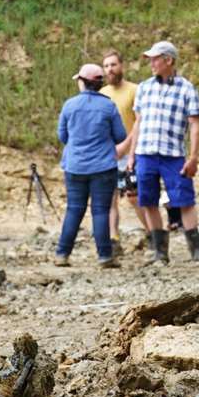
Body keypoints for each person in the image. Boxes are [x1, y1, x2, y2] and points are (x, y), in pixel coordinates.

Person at [120, 40, 199, 264]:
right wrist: (131, 155)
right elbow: (138, 122)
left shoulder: (187, 89)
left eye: (155, 59)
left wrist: (194, 157)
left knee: (184, 200)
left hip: (173, 154)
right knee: (147, 201)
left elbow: (194, 124)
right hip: (146, 152)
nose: (152, 64)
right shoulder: (144, 88)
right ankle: (160, 251)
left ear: (169, 60)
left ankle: (196, 249)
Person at [54, 63, 125, 268]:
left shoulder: (70, 105)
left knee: (74, 210)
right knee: (101, 211)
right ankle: (104, 256)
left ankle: (62, 254)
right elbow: (120, 136)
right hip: (103, 167)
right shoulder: (108, 106)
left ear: (83, 82)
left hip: (75, 166)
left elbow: (62, 136)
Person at [99, 50, 138, 248]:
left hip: (132, 151)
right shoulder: (102, 94)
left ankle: (152, 233)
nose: (110, 69)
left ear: (121, 66)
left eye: (113, 65)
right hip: (109, 153)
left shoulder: (134, 90)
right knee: (110, 198)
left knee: (135, 197)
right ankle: (114, 240)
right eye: (106, 66)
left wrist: (126, 145)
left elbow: (140, 122)